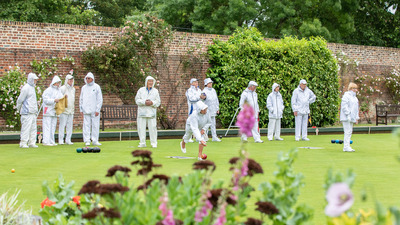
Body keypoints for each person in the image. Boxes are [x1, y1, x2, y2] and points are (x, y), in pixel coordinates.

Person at [135, 76, 161, 148]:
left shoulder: (155, 91)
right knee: (141, 128)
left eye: (152, 81)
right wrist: (144, 102)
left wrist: (152, 102)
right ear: (146, 82)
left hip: (151, 112)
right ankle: (142, 142)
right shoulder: (141, 90)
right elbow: (137, 100)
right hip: (142, 112)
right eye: (149, 81)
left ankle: (154, 143)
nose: (150, 83)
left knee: (153, 128)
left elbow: (158, 102)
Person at [16, 73, 39, 148]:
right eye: (34, 79)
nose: (36, 81)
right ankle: (23, 143)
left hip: (33, 112)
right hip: (26, 112)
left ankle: (32, 142)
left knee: (33, 128)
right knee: (26, 128)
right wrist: (18, 109)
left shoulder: (32, 88)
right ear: (31, 79)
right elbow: (20, 100)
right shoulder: (26, 88)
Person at [79, 72, 103, 146]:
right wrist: (81, 109)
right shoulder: (83, 88)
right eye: (86, 78)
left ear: (92, 79)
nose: (87, 80)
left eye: (88, 78)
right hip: (86, 110)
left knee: (95, 125)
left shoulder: (97, 87)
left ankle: (95, 140)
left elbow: (99, 99)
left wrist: (97, 109)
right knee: (86, 125)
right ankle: (87, 140)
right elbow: (81, 99)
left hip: (94, 110)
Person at [42, 75, 63, 146]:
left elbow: (61, 99)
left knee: (53, 126)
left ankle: (51, 140)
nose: (58, 85)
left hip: (54, 111)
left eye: (59, 83)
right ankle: (46, 141)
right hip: (48, 111)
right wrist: (54, 100)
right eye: (57, 83)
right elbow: (45, 100)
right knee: (47, 126)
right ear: (54, 83)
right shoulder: (48, 90)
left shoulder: (59, 91)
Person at [340, 82, 359, 152]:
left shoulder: (355, 98)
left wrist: (356, 118)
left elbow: (356, 109)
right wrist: (348, 114)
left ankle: (347, 146)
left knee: (350, 131)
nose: (355, 90)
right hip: (346, 117)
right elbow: (344, 106)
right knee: (347, 131)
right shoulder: (346, 96)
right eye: (354, 88)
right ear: (351, 88)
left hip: (351, 117)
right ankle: (346, 147)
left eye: (356, 88)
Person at [186, 78, 206, 142]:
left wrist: (204, 97)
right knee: (190, 123)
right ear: (191, 83)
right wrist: (199, 97)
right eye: (195, 82)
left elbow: (202, 97)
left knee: (200, 122)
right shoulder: (189, 90)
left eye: (197, 82)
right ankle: (188, 137)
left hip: (199, 109)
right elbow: (191, 99)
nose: (196, 83)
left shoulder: (199, 90)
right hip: (193, 109)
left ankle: (198, 137)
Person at [59, 74, 75, 145]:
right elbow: (59, 98)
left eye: (72, 80)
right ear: (66, 80)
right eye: (69, 80)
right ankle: (60, 139)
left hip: (71, 110)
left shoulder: (73, 89)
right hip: (64, 110)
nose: (71, 81)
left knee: (69, 126)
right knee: (62, 125)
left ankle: (68, 139)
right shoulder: (62, 88)